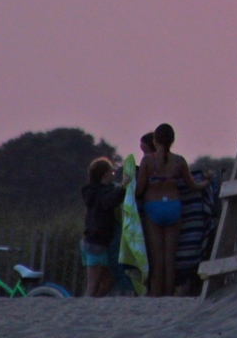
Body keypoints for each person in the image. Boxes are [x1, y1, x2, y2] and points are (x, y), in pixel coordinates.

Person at [136, 123, 213, 297]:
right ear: (172, 141)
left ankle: (156, 295)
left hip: (153, 207)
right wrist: (207, 182)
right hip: (173, 207)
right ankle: (169, 296)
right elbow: (193, 185)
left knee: (157, 258)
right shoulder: (179, 161)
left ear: (155, 140)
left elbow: (139, 190)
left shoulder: (148, 161)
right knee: (170, 258)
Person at [81, 156, 130, 297]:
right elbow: (110, 201)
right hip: (97, 242)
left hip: (92, 241)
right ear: (104, 174)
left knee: (108, 279)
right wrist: (122, 186)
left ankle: (93, 302)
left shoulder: (92, 191)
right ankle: (87, 305)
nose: (112, 176)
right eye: (111, 173)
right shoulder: (101, 192)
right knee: (94, 282)